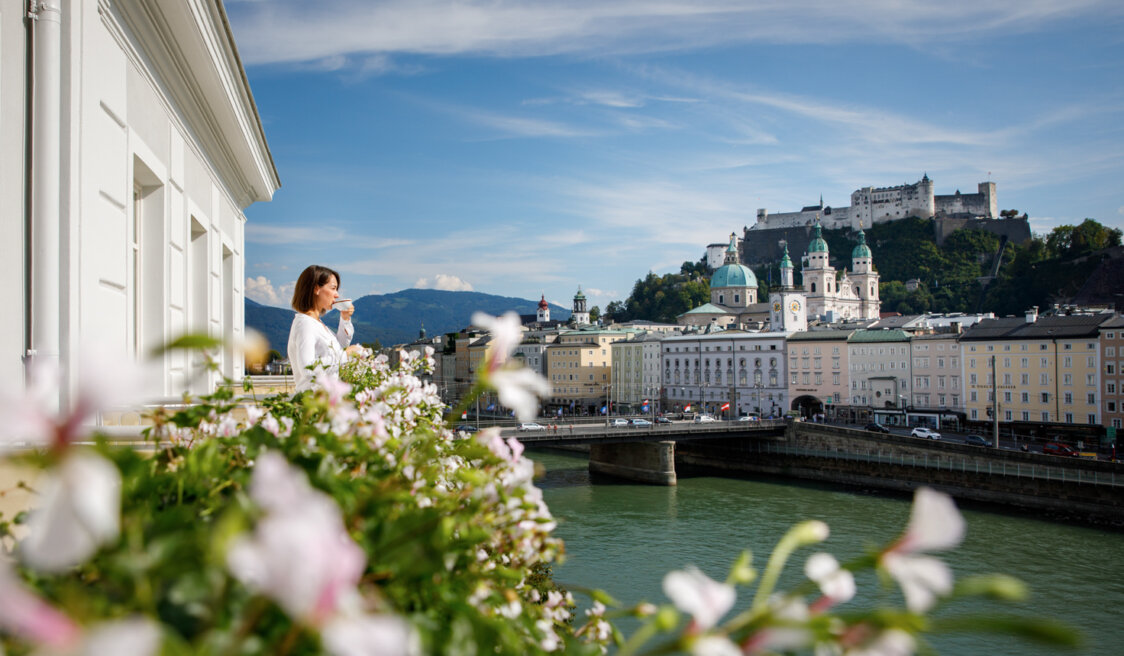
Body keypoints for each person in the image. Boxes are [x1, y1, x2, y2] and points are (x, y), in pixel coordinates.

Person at [287, 265, 355, 392]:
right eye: (333, 288)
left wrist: (345, 319)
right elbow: (308, 368)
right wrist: (345, 355)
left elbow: (339, 346)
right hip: (313, 402)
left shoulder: (317, 323)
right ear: (316, 289)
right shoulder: (305, 324)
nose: (337, 295)